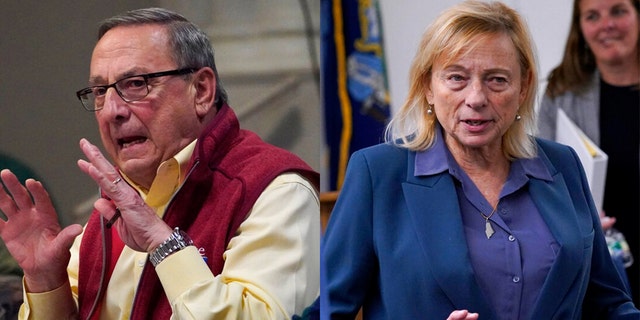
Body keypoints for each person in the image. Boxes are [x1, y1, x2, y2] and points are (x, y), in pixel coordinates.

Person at [320, 1, 638, 319]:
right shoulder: (377, 174)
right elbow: (327, 312)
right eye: (456, 78)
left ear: (524, 87)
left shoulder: (562, 164)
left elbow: (611, 304)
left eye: (496, 80)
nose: (476, 99)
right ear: (428, 85)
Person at [0, 7, 320, 319]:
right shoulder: (113, 206)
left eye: (136, 84)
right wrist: (45, 281)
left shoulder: (275, 188)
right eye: (100, 91)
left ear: (201, 91)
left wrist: (163, 244)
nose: (112, 111)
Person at [537, 0, 640, 304]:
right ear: (580, 28)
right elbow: (542, 181)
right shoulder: (561, 92)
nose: (606, 25)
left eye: (618, 11)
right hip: (599, 260)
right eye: (592, 16)